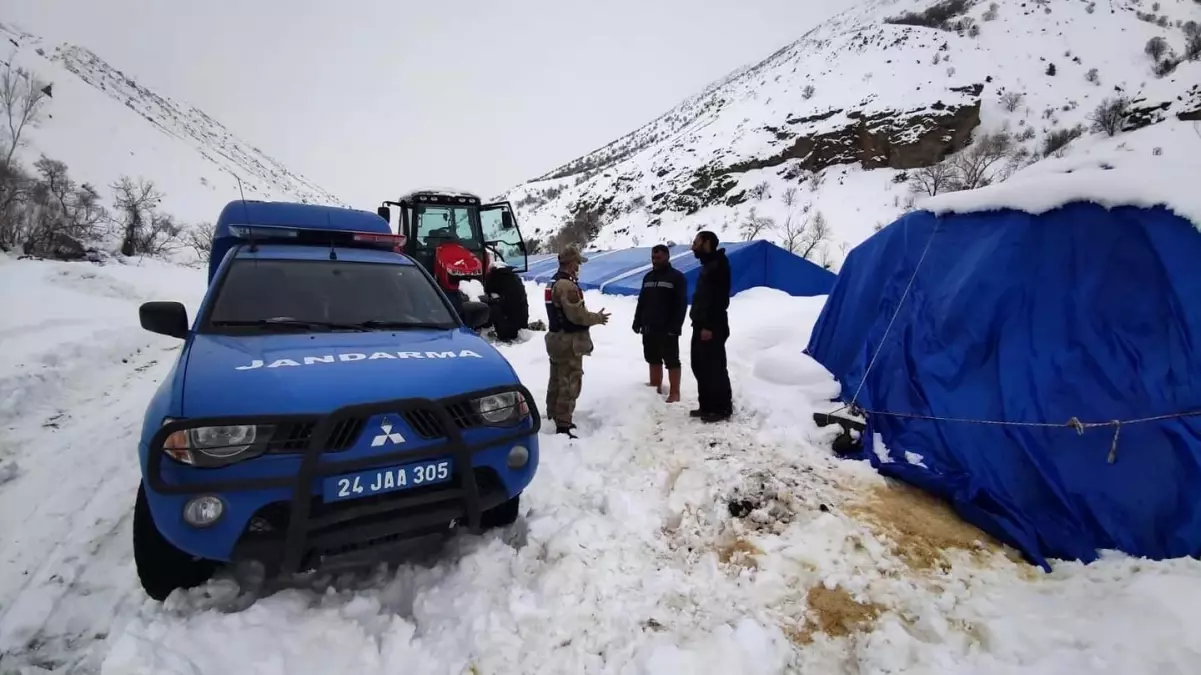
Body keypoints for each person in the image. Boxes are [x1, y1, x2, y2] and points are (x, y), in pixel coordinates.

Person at [544, 245, 610, 437]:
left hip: (556, 339)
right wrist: (597, 318)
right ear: (571, 263)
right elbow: (577, 316)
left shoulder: (553, 282)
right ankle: (563, 424)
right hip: (568, 342)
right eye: (577, 263)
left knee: (556, 379)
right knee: (570, 381)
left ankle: (553, 413)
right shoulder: (567, 286)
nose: (578, 267)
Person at [632, 244, 687, 403]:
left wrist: (676, 327)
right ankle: (655, 386)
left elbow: (681, 304)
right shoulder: (648, 277)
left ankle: (675, 392)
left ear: (667, 257)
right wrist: (637, 320)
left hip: (667, 327)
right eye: (653, 258)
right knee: (652, 357)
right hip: (649, 326)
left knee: (671, 359)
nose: (655, 261)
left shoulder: (676, 277)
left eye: (658, 257)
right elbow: (642, 301)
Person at [688, 230, 732, 422]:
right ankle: (706, 406)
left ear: (706, 243)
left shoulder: (718, 266)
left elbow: (717, 300)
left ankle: (722, 408)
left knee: (714, 367)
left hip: (711, 326)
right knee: (700, 366)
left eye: (696, 243)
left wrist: (708, 326)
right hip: (700, 325)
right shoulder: (708, 265)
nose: (692, 247)